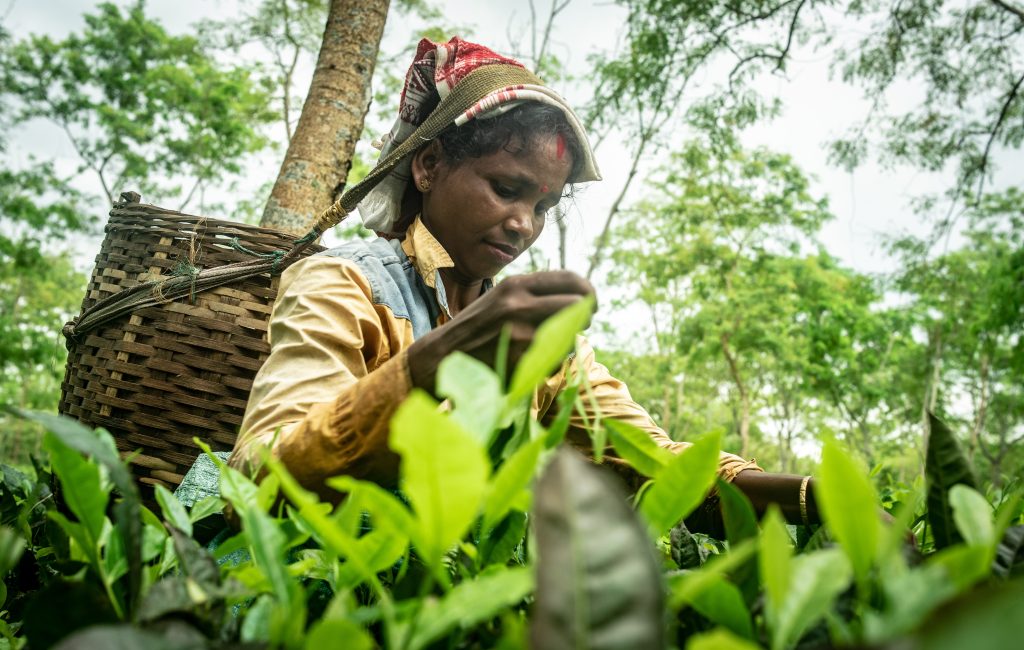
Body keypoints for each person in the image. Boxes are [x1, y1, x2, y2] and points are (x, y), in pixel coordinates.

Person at [214, 37, 820, 528]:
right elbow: (263, 478)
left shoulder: (539, 342)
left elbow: (653, 460)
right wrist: (440, 360)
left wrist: (811, 500)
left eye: (544, 205)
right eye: (506, 188)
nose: (522, 223)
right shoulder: (343, 284)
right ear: (428, 165)